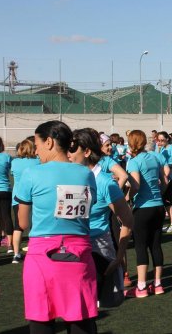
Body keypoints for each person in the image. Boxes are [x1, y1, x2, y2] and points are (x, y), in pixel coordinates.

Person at [16, 120, 98, 333]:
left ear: (49, 142)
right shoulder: (85, 174)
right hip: (79, 254)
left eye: (37, 143)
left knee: (41, 318)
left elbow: (23, 223)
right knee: (81, 319)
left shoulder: (31, 174)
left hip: (42, 255)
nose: (36, 150)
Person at [68, 128, 133, 306]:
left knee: (94, 307)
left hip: (99, 251)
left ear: (87, 152)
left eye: (72, 149)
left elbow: (128, 221)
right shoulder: (70, 177)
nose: (68, 154)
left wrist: (119, 259)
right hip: (74, 251)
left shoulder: (105, 182)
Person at [126, 130, 168, 297]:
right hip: (158, 206)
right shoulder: (155, 157)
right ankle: (158, 284)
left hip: (143, 207)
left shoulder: (134, 161)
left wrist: (126, 198)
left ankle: (141, 287)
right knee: (156, 245)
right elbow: (164, 180)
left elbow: (135, 185)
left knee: (141, 246)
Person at [10, 138, 40, 263]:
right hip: (34, 197)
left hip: (18, 197)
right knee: (35, 225)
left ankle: (16, 254)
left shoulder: (15, 162)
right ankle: (34, 251)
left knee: (18, 226)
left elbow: (12, 174)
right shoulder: (38, 162)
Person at [154, 131, 172, 233]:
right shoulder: (160, 148)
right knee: (163, 201)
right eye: (158, 140)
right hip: (163, 175)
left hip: (170, 176)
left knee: (167, 199)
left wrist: (165, 165)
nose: (160, 142)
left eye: (162, 140)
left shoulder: (171, 148)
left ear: (167, 139)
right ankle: (167, 223)